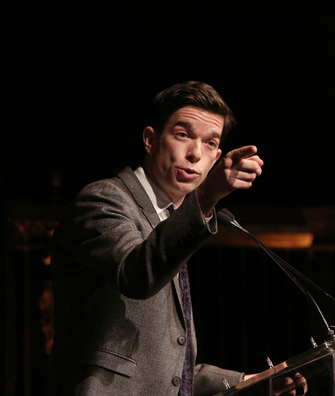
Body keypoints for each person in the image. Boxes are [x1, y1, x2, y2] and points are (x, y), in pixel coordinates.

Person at [45, 81, 268, 396]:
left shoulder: (171, 221)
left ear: (217, 156)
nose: (195, 154)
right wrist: (205, 197)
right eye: (183, 135)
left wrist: (250, 381)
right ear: (150, 140)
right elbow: (135, 274)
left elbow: (174, 374)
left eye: (209, 144)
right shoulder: (105, 199)